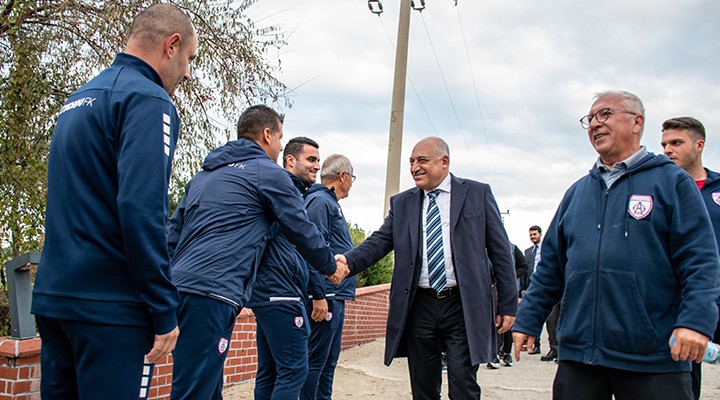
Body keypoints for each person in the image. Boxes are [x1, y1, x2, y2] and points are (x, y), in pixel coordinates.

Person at [30, 4, 196, 399]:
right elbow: (141, 210)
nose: (188, 73)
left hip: (56, 300)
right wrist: (162, 307)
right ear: (171, 45)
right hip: (112, 310)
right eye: (190, 59)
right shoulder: (148, 100)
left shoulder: (79, 99)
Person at [513, 91, 720, 400]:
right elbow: (551, 267)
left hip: (652, 358)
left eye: (605, 114)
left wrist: (695, 322)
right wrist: (528, 318)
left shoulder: (672, 182)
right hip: (580, 358)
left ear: (637, 122)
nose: (595, 123)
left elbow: (700, 259)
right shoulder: (577, 193)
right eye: (590, 118)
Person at [167, 107, 341, 400]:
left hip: (180, 287)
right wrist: (328, 265)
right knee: (194, 389)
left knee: (207, 384)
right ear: (267, 134)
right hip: (213, 291)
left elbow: (172, 234)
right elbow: (301, 228)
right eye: (280, 138)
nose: (280, 146)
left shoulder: (204, 176)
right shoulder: (269, 174)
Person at [333, 137, 517, 399]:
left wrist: (508, 304)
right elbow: (381, 241)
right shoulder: (403, 203)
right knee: (423, 388)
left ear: (445, 162)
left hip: (462, 305)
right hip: (420, 306)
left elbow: (501, 253)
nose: (414, 167)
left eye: (422, 160)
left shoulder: (477, 194)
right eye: (411, 161)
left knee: (463, 384)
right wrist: (348, 262)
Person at [248, 136, 325, 400]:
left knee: (269, 372)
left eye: (318, 160)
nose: (317, 166)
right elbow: (306, 242)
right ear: (290, 160)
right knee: (294, 371)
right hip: (281, 292)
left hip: (268, 293)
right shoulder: (284, 190)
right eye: (311, 159)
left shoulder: (288, 191)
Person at [661, 116, 720, 400]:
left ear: (699, 145)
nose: (668, 150)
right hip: (683, 302)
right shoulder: (660, 192)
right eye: (664, 144)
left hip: (717, 294)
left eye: (676, 143)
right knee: (683, 380)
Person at [300, 154, 357, 400]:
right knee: (316, 361)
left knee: (329, 362)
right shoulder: (320, 202)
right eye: (352, 177)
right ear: (342, 176)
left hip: (337, 294)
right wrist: (318, 295)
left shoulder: (331, 202)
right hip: (326, 294)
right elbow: (312, 248)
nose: (352, 183)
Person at [522, 226, 544, 355]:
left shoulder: (546, 249)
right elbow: (525, 270)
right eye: (530, 235)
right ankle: (536, 344)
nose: (532, 237)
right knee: (533, 314)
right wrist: (524, 287)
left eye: (534, 234)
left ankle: (555, 346)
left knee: (548, 316)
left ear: (540, 234)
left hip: (544, 284)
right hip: (531, 285)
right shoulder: (528, 252)